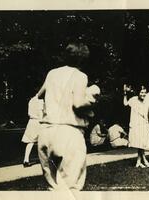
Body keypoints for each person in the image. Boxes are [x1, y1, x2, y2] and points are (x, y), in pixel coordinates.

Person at [36, 43, 97, 191]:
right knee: (71, 189)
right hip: (68, 132)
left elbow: (39, 95)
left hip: (46, 132)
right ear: (83, 60)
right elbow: (78, 103)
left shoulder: (52, 73)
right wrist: (93, 97)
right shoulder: (80, 76)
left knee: (53, 189)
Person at [124, 85, 149, 168]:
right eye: (141, 92)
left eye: (145, 92)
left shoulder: (147, 102)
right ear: (138, 93)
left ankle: (139, 161)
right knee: (140, 143)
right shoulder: (133, 100)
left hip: (144, 124)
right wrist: (125, 93)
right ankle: (143, 161)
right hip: (136, 124)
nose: (143, 94)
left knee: (142, 143)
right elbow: (125, 104)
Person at [21, 96, 45, 167]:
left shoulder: (31, 100)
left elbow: (29, 113)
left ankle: (26, 160)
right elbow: (41, 114)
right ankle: (46, 160)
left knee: (30, 141)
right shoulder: (40, 101)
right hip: (38, 122)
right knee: (44, 141)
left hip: (31, 122)